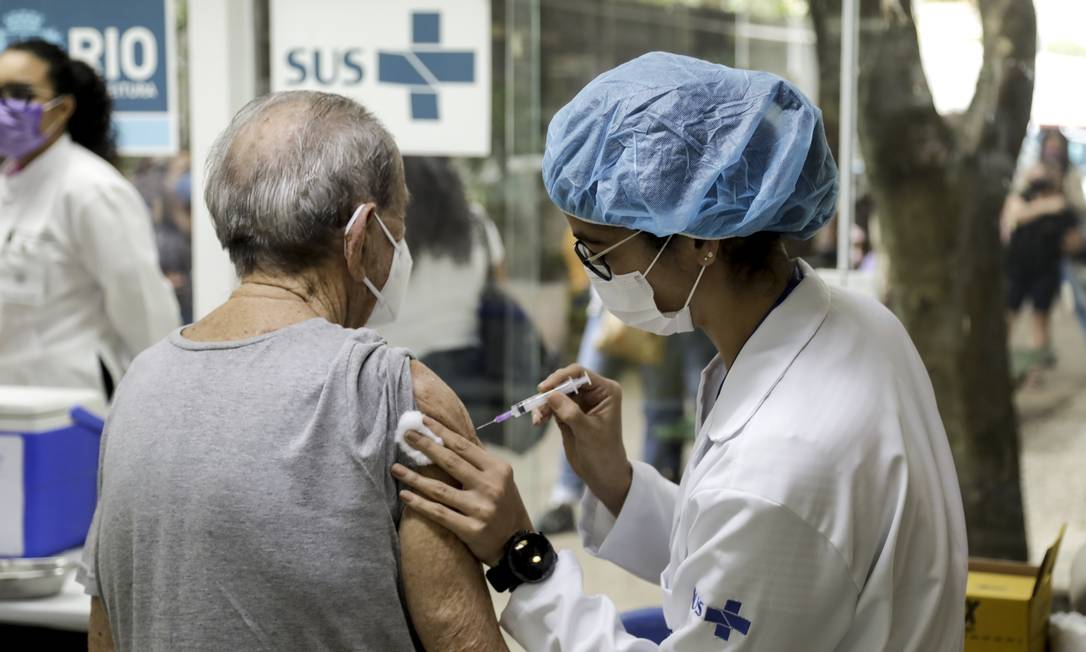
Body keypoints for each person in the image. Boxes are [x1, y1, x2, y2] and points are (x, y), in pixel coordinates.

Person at [390, 52, 968, 650]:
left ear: (699, 241)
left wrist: (520, 554)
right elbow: (739, 556)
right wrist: (615, 480)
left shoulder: (781, 465)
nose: (593, 273)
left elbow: (760, 522)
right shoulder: (857, 323)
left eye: (599, 251)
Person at [77, 91, 506, 651]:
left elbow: (106, 630)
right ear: (363, 235)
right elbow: (463, 641)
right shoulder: (397, 400)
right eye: (397, 232)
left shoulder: (140, 386)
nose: (400, 252)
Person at [0, 39, 179, 398]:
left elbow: (145, 314)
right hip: (11, 406)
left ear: (63, 107)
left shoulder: (92, 189)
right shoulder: (7, 181)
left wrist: (161, 404)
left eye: (18, 93)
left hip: (73, 407)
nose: (4, 107)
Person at [1002, 129, 1085, 374]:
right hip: (1018, 267)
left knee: (1040, 319)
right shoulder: (1026, 192)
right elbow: (1014, 214)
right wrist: (1046, 204)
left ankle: (1035, 370)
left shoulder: (1066, 202)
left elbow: (1075, 238)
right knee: (1009, 316)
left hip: (1046, 268)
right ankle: (999, 369)